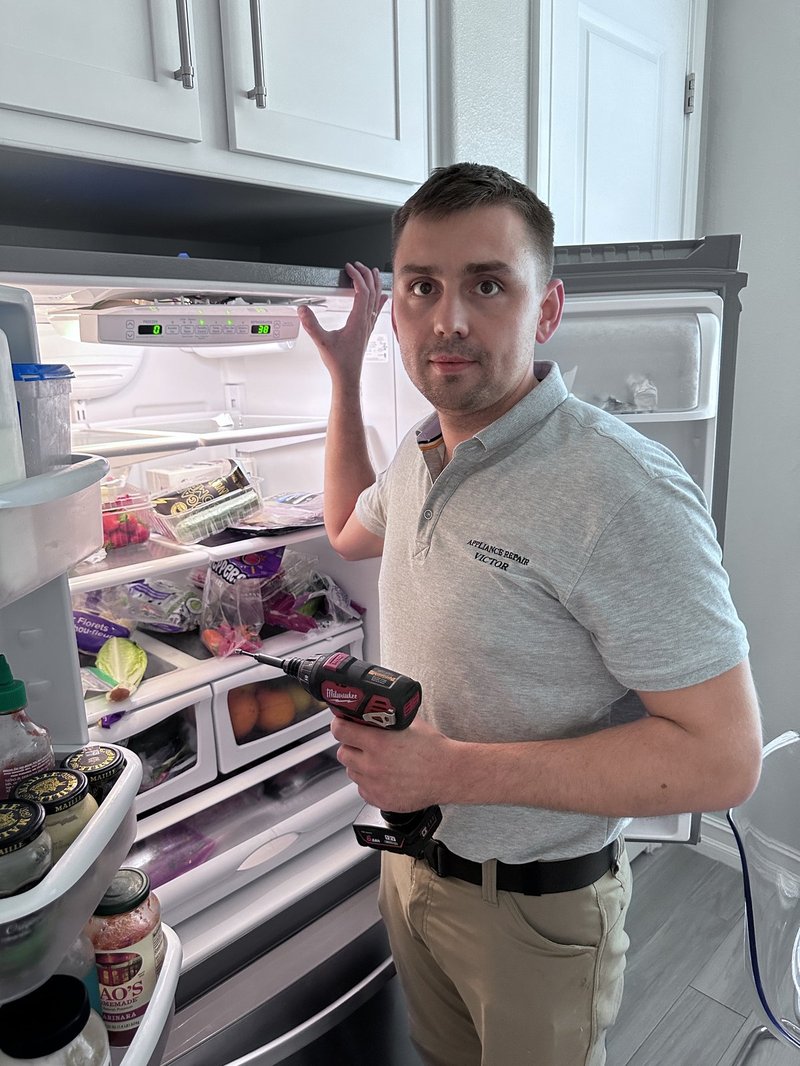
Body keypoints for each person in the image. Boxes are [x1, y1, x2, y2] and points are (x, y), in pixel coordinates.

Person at [298, 162, 762, 1066]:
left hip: (534, 913)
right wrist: (344, 378)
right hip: (411, 870)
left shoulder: (619, 490)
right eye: (421, 288)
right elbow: (348, 525)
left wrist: (448, 769)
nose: (448, 320)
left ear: (546, 310)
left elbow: (723, 759)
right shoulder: (422, 454)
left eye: (487, 285)